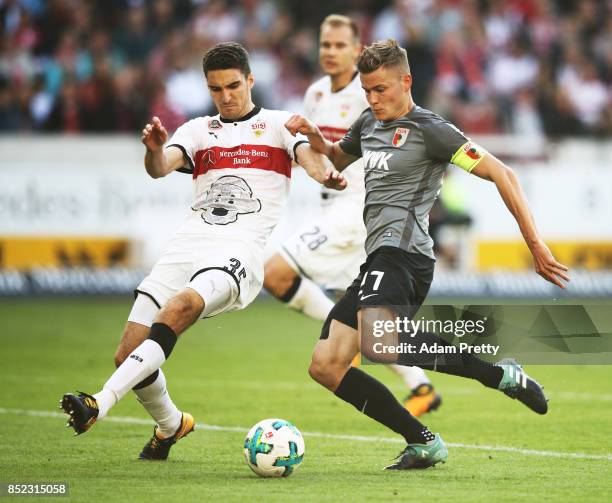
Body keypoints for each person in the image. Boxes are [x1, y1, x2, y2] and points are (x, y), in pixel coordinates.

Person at [285, 39, 570, 470]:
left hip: (406, 257)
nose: (373, 99)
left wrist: (534, 243)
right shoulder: (368, 123)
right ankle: (423, 442)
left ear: (406, 81)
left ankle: (498, 374)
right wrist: (312, 139)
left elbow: (502, 172)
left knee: (379, 340)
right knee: (326, 364)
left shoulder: (431, 129)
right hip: (377, 258)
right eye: (367, 90)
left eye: (381, 89)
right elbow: (335, 163)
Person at [60, 42, 346, 460]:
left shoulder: (280, 125)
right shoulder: (196, 131)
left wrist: (328, 175)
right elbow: (160, 168)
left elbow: (313, 162)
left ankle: (99, 402)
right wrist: (153, 149)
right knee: (127, 352)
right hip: (187, 244)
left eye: (233, 86)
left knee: (179, 309)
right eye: (216, 89)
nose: (226, 96)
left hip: (238, 250)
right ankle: (171, 425)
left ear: (250, 80)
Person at [264, 14, 441, 417]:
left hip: (358, 210)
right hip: (334, 204)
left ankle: (340, 342)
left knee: (274, 272)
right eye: (325, 45)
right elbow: (323, 151)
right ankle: (421, 384)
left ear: (357, 50)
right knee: (366, 317)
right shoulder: (315, 94)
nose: (330, 52)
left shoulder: (372, 95)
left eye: (339, 45)